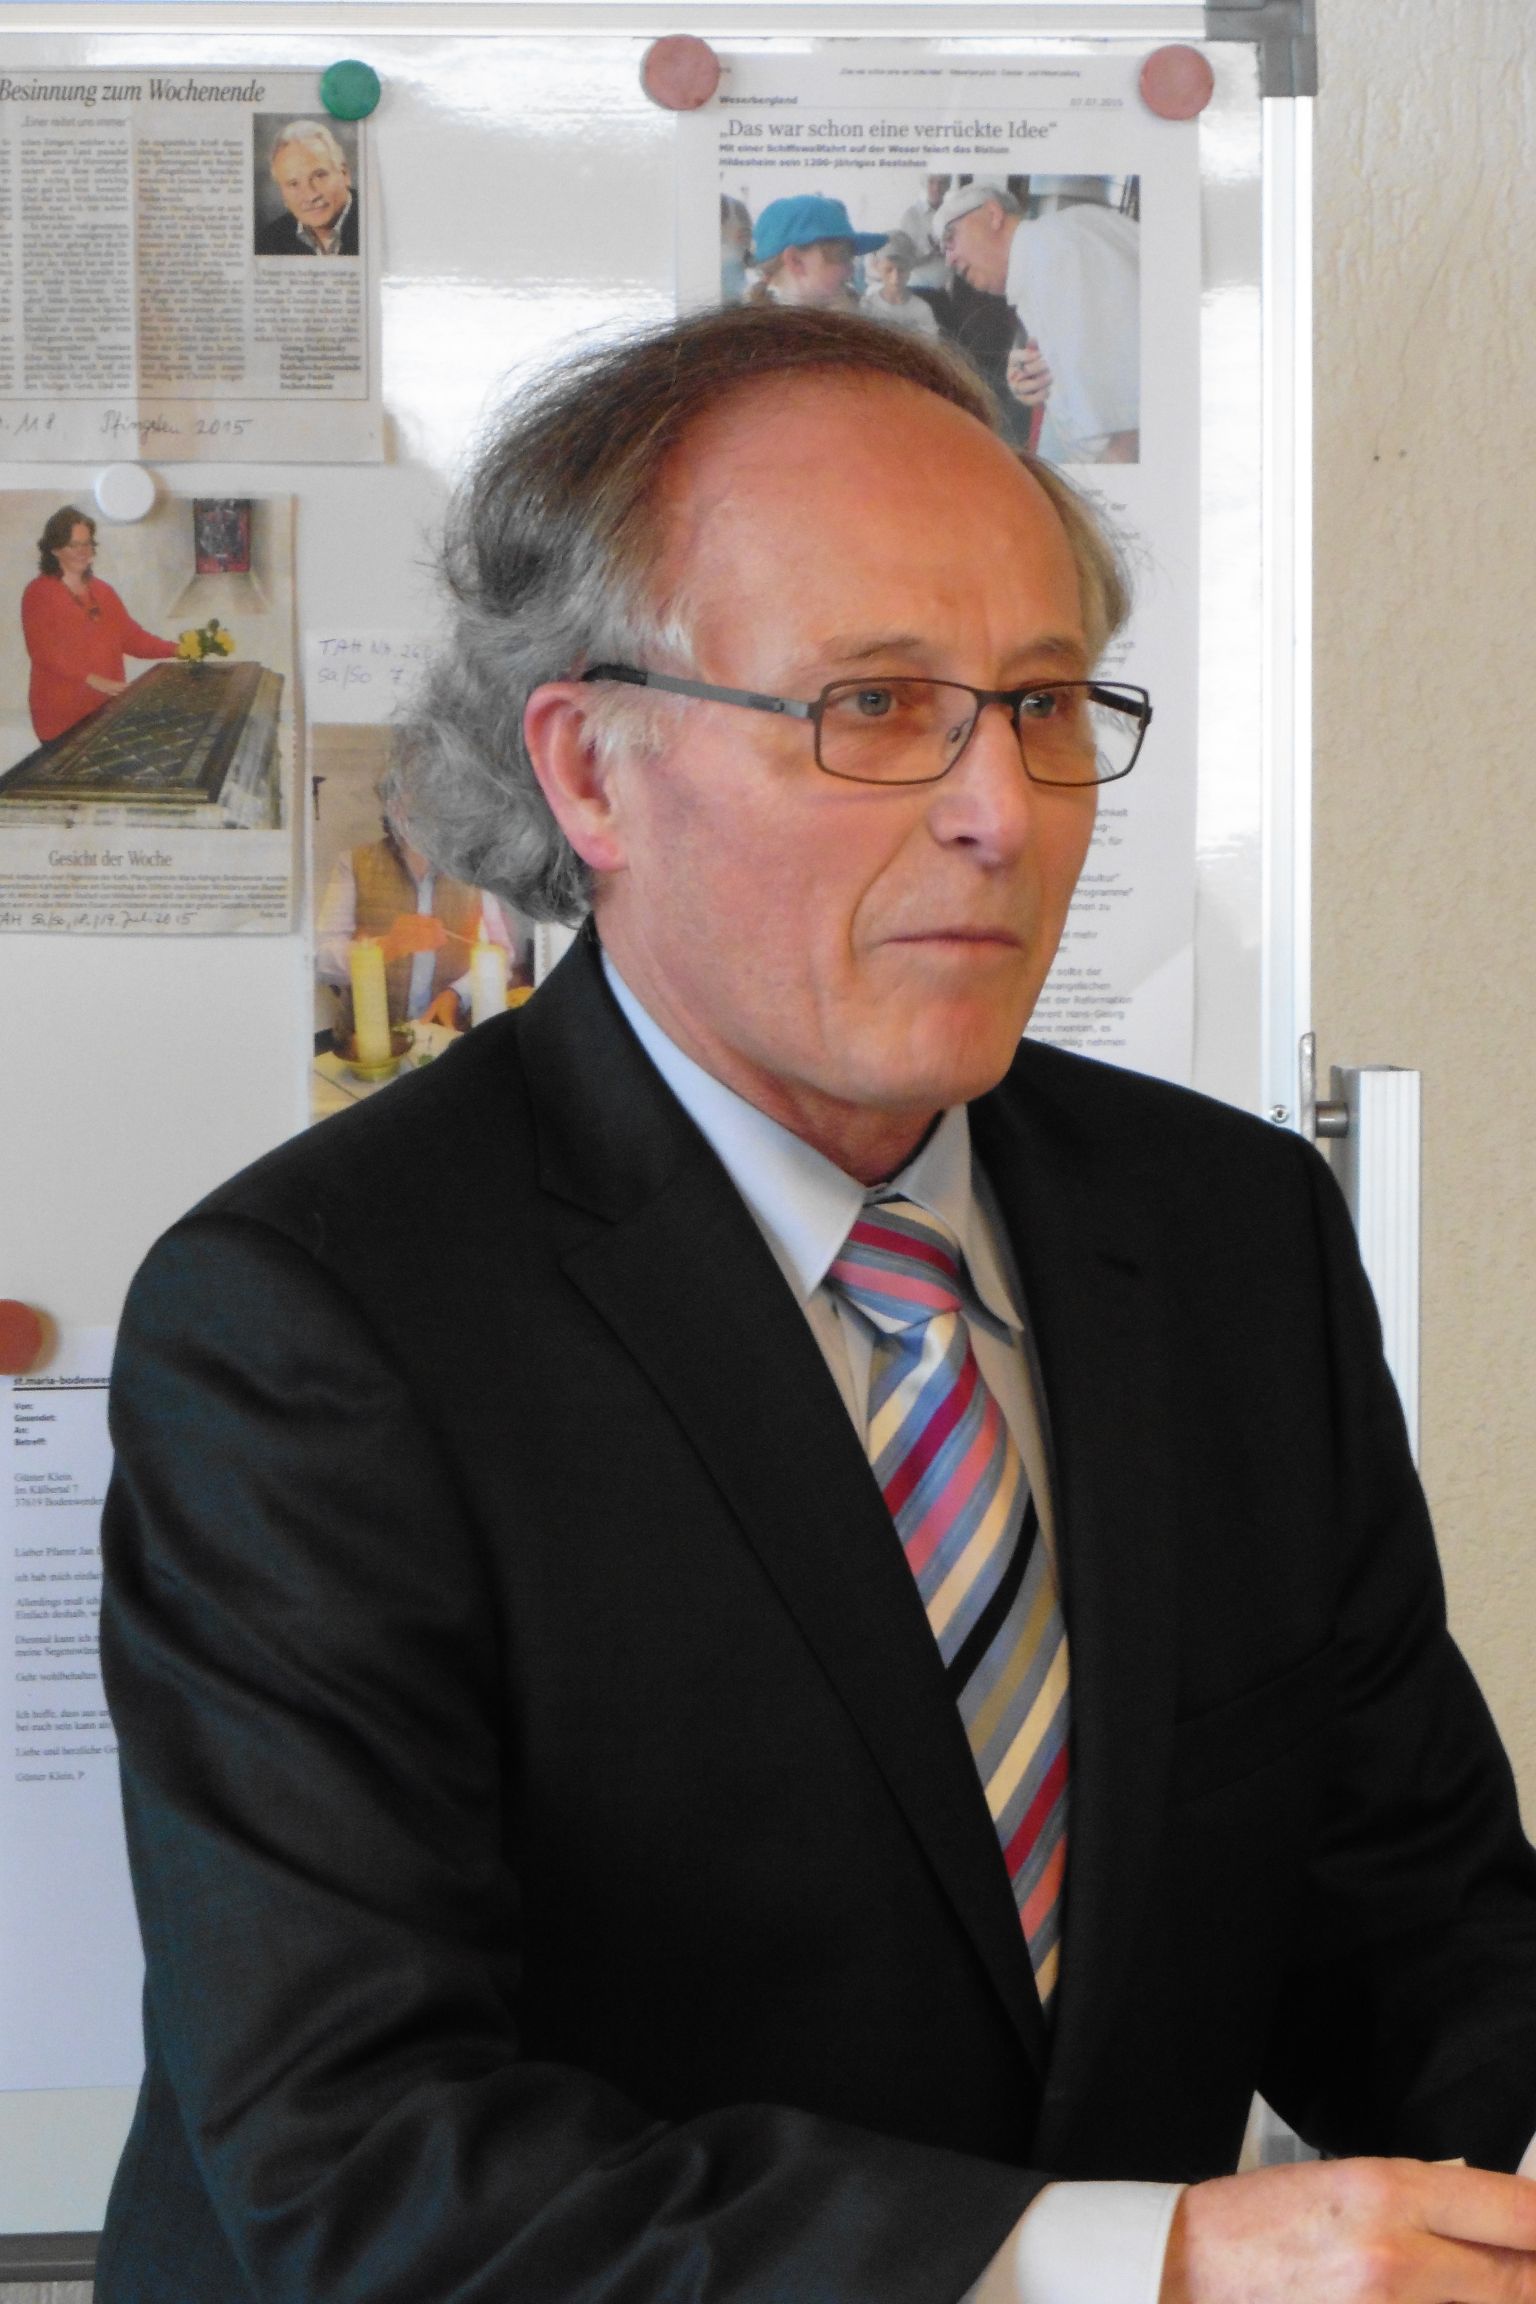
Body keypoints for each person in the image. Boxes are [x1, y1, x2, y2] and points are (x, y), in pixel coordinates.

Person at [98, 307, 1536, 2304]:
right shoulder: (313, 1322)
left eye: (1043, 702)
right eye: (875, 705)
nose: (1002, 808)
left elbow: (1416, 1931)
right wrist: (1146, 2264)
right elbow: (367, 2166)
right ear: (592, 769)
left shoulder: (1230, 1237)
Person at [936, 180, 1139, 465]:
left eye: (950, 238)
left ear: (993, 214)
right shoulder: (1042, 257)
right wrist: (1033, 379)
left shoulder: (1058, 251)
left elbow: (1122, 428)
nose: (949, 260)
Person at [315, 821, 526, 1034]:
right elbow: (320, 961)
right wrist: (386, 947)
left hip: (449, 1038)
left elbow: (501, 956)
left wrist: (458, 994)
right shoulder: (354, 863)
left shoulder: (475, 869)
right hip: (365, 1043)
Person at [20, 507, 179, 744]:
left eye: (87, 544)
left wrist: (178, 649)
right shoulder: (39, 592)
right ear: (54, 549)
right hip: (60, 714)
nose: (83, 552)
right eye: (74, 545)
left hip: (106, 708)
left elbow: (132, 638)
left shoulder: (103, 591)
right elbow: (44, 652)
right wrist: (94, 680)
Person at [748, 192, 883, 310]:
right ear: (795, 261)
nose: (851, 269)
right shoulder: (768, 330)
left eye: (851, 257)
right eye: (841, 255)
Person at [254, 118, 358, 256]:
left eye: (319, 175)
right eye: (293, 184)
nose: (310, 196)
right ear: (282, 193)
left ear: (344, 174)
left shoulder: (374, 221)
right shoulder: (268, 241)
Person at [860, 230, 942, 336]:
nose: (895, 278)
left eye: (902, 270)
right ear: (877, 266)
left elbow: (931, 342)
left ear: (910, 268)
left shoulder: (922, 310)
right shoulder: (867, 306)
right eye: (888, 270)